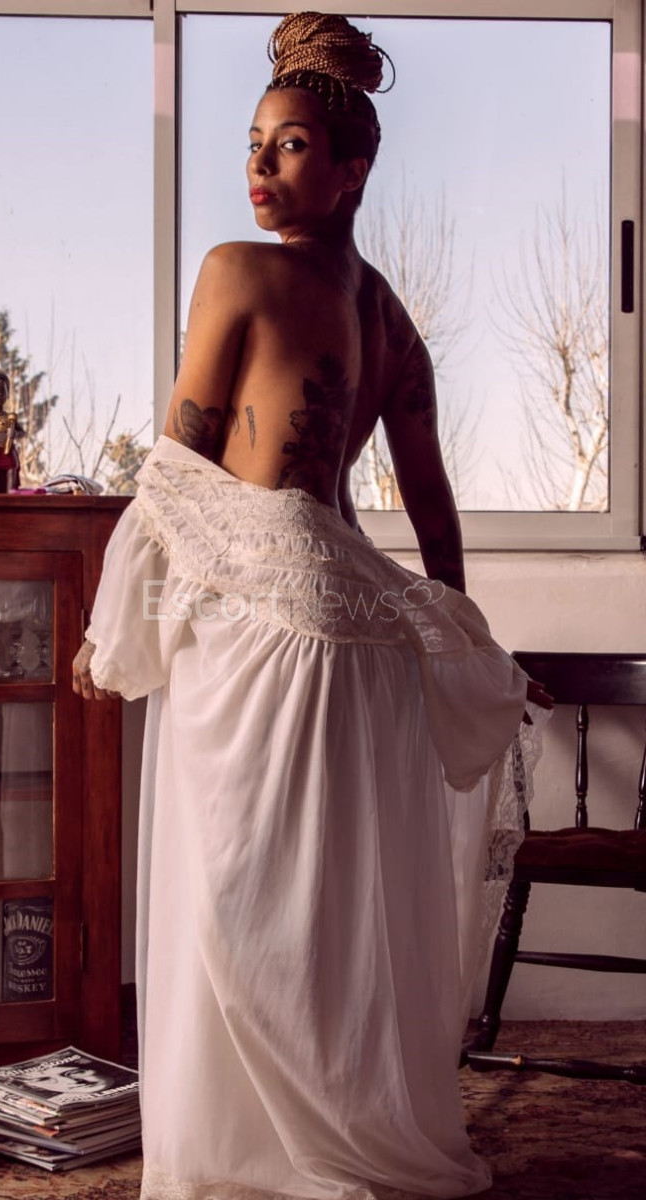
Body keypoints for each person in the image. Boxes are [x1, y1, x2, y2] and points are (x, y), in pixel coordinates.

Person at [73, 13, 551, 1199]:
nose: (257, 165)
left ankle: (254, 1159)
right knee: (329, 909)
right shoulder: (392, 324)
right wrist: (455, 641)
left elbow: (179, 468)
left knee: (233, 896)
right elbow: (430, 510)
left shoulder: (234, 272)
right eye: (252, 143)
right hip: (361, 643)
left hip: (265, 632)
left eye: (287, 146)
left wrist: (110, 626)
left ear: (351, 170)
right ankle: (338, 1135)